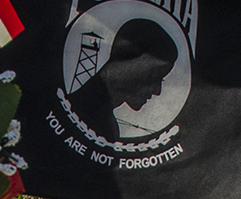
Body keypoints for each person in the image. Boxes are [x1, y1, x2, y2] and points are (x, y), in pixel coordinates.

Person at [67, 16, 180, 144]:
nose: (157, 91)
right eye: (154, 76)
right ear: (130, 65)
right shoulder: (91, 120)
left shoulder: (93, 116)